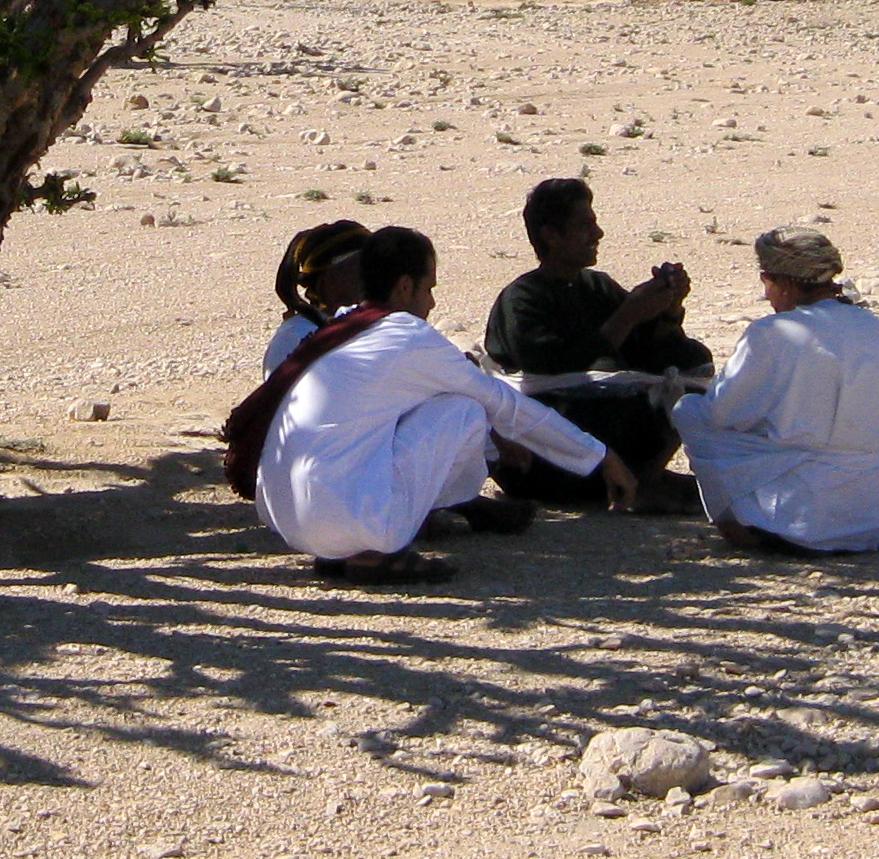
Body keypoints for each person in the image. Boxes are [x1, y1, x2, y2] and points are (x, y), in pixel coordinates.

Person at [251, 225, 637, 582]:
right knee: (465, 408)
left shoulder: (338, 329)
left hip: (289, 521)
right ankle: (374, 552)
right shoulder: (408, 335)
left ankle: (348, 545)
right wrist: (600, 456)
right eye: (428, 289)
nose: (432, 302)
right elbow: (504, 405)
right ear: (405, 288)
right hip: (344, 518)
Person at [671, 227, 879, 552]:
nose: (767, 295)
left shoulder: (772, 333)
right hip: (871, 514)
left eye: (767, 282)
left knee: (690, 413)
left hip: (798, 517)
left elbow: (722, 413)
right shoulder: (874, 326)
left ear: (784, 283)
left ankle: (743, 525)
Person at [483, 177, 710, 511]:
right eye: (584, 226)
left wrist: (667, 310)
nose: (597, 234)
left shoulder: (596, 286)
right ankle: (633, 484)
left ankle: (644, 476)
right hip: (544, 453)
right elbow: (554, 368)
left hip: (600, 433)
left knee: (692, 361)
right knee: (606, 391)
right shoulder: (523, 299)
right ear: (551, 236)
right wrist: (629, 314)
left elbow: (648, 350)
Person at [261, 219, 371, 377]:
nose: (375, 275)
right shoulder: (296, 337)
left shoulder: (363, 323)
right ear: (332, 276)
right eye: (364, 266)